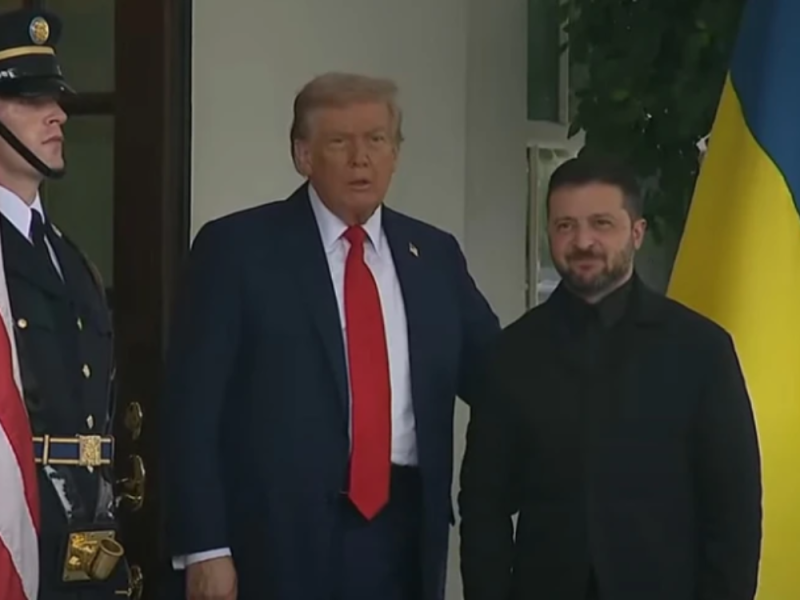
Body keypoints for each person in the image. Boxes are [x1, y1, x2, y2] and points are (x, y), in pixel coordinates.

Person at [160, 72, 500, 600]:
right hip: (276, 540)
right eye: (340, 142)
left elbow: (498, 376)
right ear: (303, 155)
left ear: (396, 154)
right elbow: (191, 410)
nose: (361, 159)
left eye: (377, 140)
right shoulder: (237, 250)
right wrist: (205, 547)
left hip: (403, 534)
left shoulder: (434, 255)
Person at [458, 155, 763, 600]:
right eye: (565, 226)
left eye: (601, 224)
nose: (583, 241)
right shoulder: (510, 354)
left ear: (636, 232)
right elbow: (483, 506)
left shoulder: (702, 350)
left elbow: (734, 511)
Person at [0, 8, 133, 600]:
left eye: (54, 97)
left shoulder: (70, 257)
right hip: (16, 517)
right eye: (31, 100)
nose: (57, 114)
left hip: (87, 522)